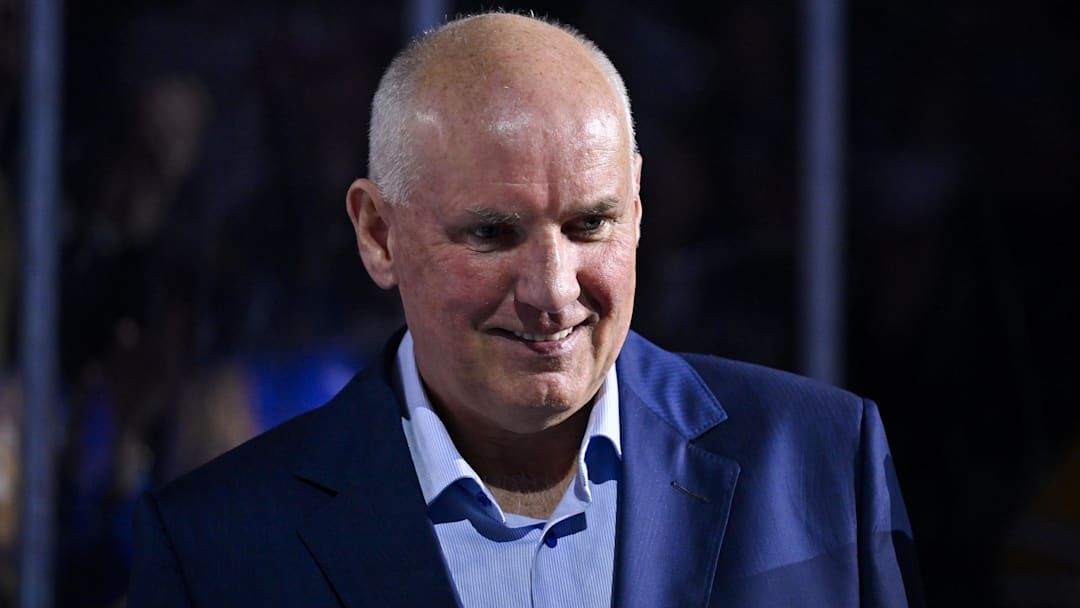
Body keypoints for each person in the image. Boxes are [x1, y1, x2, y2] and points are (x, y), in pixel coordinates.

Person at [129, 12, 923, 607]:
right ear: (378, 234)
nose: (553, 291)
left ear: (639, 211)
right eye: (492, 233)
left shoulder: (822, 466)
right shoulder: (219, 548)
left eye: (590, 224)